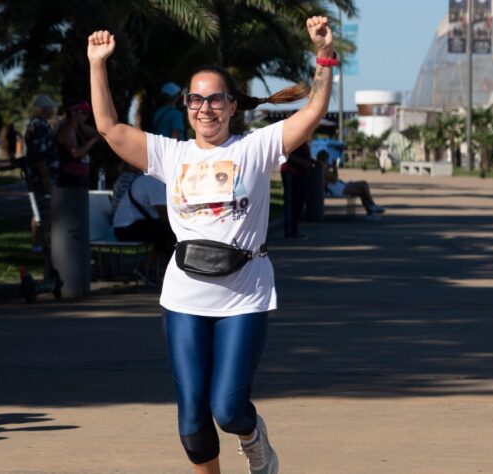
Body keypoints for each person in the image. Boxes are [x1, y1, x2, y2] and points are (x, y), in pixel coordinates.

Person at [88, 15, 334, 474]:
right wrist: (97, 63)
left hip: (244, 293)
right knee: (192, 421)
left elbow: (312, 111)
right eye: (195, 99)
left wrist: (323, 55)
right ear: (185, 106)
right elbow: (108, 127)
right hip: (185, 294)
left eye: (215, 98)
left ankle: (255, 438)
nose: (205, 108)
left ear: (233, 105)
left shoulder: (254, 148)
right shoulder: (170, 154)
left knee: (228, 409)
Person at [112, 168, 175, 281]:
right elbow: (164, 214)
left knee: (167, 232)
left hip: (129, 225)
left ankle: (148, 267)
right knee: (171, 231)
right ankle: (152, 269)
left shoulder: (150, 179)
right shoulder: (153, 181)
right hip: (126, 228)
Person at [23, 94, 59, 250]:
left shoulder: (42, 125)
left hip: (45, 176)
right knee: (41, 211)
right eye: (51, 108)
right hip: (42, 178)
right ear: (45, 109)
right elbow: (40, 157)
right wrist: (46, 180)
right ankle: (38, 244)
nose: (53, 111)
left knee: (44, 211)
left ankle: (42, 243)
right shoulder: (38, 126)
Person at [322, 150, 385, 222]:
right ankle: (372, 206)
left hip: (340, 187)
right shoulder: (323, 169)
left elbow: (333, 179)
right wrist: (334, 168)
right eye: (327, 158)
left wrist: (331, 168)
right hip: (339, 189)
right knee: (363, 186)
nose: (328, 161)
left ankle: (370, 212)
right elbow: (334, 179)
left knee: (363, 188)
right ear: (325, 159)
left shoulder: (324, 168)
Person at [56, 100, 99, 187]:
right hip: (70, 179)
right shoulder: (67, 130)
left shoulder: (79, 128)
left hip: (79, 177)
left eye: (87, 113)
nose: (86, 116)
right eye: (84, 113)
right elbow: (75, 153)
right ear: (73, 113)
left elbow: (98, 133)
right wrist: (94, 139)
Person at [280, 141, 311, 237]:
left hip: (300, 174)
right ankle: (289, 230)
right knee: (291, 202)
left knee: (298, 203)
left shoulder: (303, 139)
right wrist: (303, 162)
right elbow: (286, 155)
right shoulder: (293, 137)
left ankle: (294, 229)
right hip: (291, 173)